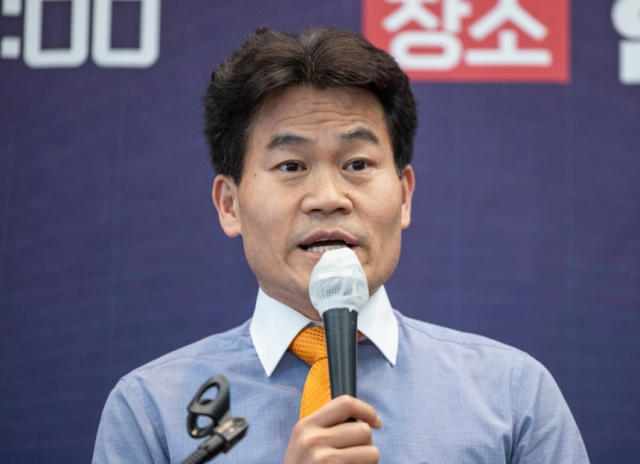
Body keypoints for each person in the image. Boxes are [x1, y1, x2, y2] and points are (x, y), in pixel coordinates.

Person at [93, 27, 589, 463]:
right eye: (291, 166)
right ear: (230, 205)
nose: (329, 198)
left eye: (357, 164)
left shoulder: (511, 394)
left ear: (404, 196)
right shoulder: (152, 409)